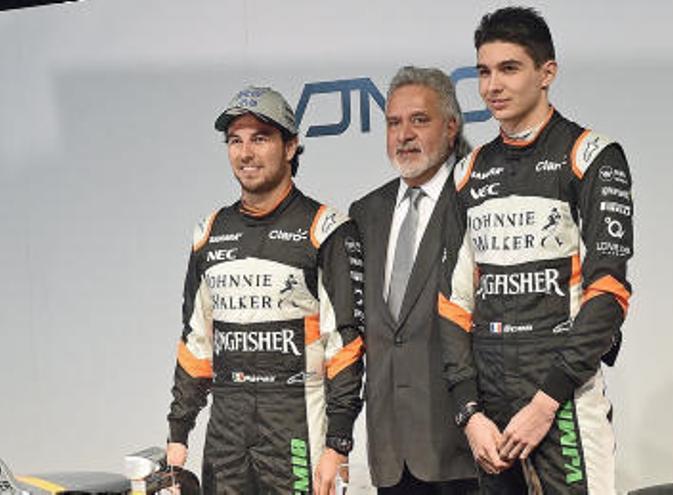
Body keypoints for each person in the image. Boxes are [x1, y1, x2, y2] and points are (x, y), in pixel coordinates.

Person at [438, 7, 634, 494]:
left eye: (509, 68)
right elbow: (452, 304)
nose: (491, 87)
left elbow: (607, 291)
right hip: (489, 400)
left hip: (561, 392)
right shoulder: (468, 171)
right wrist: (468, 413)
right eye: (483, 72)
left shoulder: (590, 155)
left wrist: (547, 402)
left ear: (547, 73)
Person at [164, 86, 365, 495]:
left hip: (297, 423)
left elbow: (344, 346)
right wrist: (178, 430)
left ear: (290, 147)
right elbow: (197, 343)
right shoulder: (209, 232)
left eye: (260, 138)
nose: (245, 153)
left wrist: (338, 443)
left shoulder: (326, 228)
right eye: (235, 141)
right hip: (227, 429)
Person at [348, 66, 479, 495]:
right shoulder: (365, 213)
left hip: (464, 448)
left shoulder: (474, 200)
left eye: (419, 120)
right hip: (391, 452)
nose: (404, 134)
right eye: (393, 122)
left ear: (451, 125)